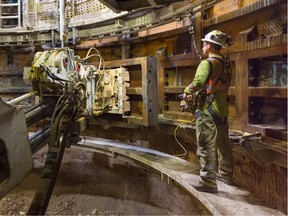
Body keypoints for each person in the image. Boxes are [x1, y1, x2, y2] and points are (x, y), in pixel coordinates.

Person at [182, 30, 234, 193]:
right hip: (221, 110)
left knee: (205, 144)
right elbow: (216, 86)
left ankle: (208, 182)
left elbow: (198, 83)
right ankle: (226, 175)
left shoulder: (207, 63)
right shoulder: (226, 64)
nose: (203, 46)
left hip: (207, 110)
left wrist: (187, 91)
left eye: (205, 43)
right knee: (223, 144)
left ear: (210, 45)